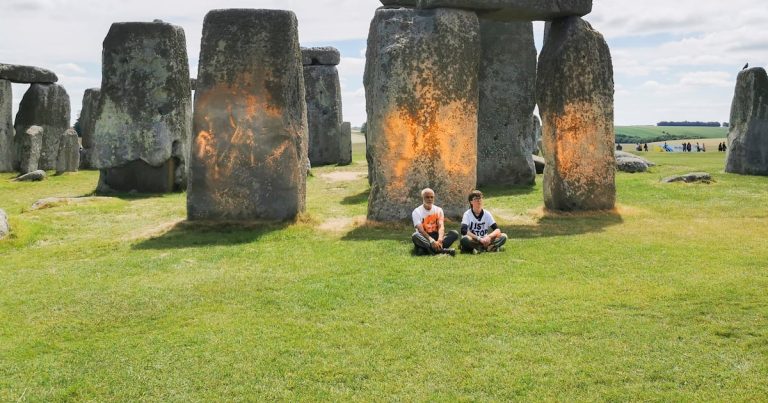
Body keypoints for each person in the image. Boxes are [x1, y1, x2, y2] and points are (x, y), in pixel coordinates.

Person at [411, 188, 458, 256]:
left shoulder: (439, 210)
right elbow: (420, 230)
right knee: (415, 236)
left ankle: (426, 249)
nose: (430, 199)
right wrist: (432, 241)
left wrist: (440, 240)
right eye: (427, 197)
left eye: (431, 197)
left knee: (454, 233)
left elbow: (441, 226)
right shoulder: (417, 212)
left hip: (436, 235)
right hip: (425, 237)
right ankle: (442, 251)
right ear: (422, 198)